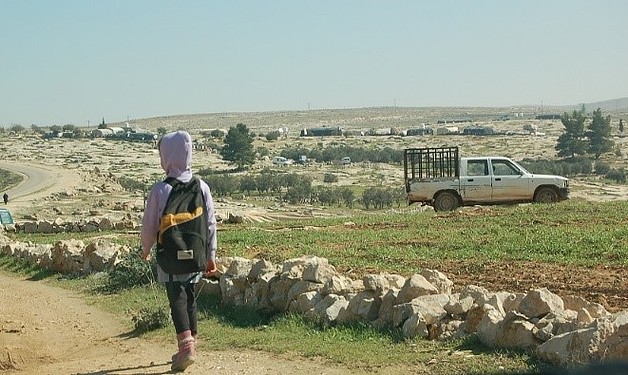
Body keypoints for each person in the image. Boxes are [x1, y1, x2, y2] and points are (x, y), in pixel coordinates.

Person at [140, 130, 218, 372]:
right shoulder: (201, 186)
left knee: (177, 299)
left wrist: (145, 249)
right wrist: (211, 256)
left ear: (166, 156)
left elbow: (149, 225)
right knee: (191, 297)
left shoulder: (160, 190)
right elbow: (211, 223)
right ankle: (191, 343)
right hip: (197, 256)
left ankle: (186, 349)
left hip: (170, 257)